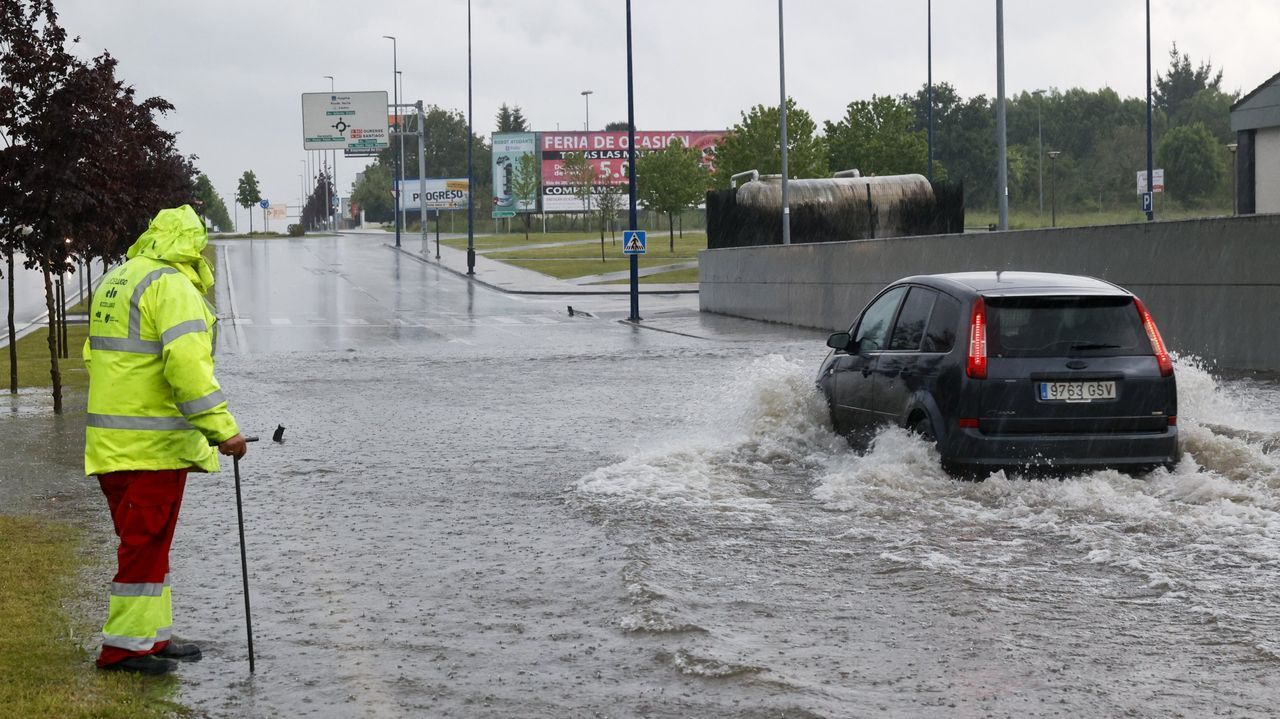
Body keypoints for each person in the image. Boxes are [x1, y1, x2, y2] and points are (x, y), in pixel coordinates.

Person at [84, 205, 247, 675]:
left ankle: (151, 638)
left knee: (148, 544)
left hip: (112, 445)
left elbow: (95, 357)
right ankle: (123, 650)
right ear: (191, 244)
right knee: (143, 544)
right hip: (152, 448)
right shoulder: (172, 287)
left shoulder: (118, 279)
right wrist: (224, 431)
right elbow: (187, 370)